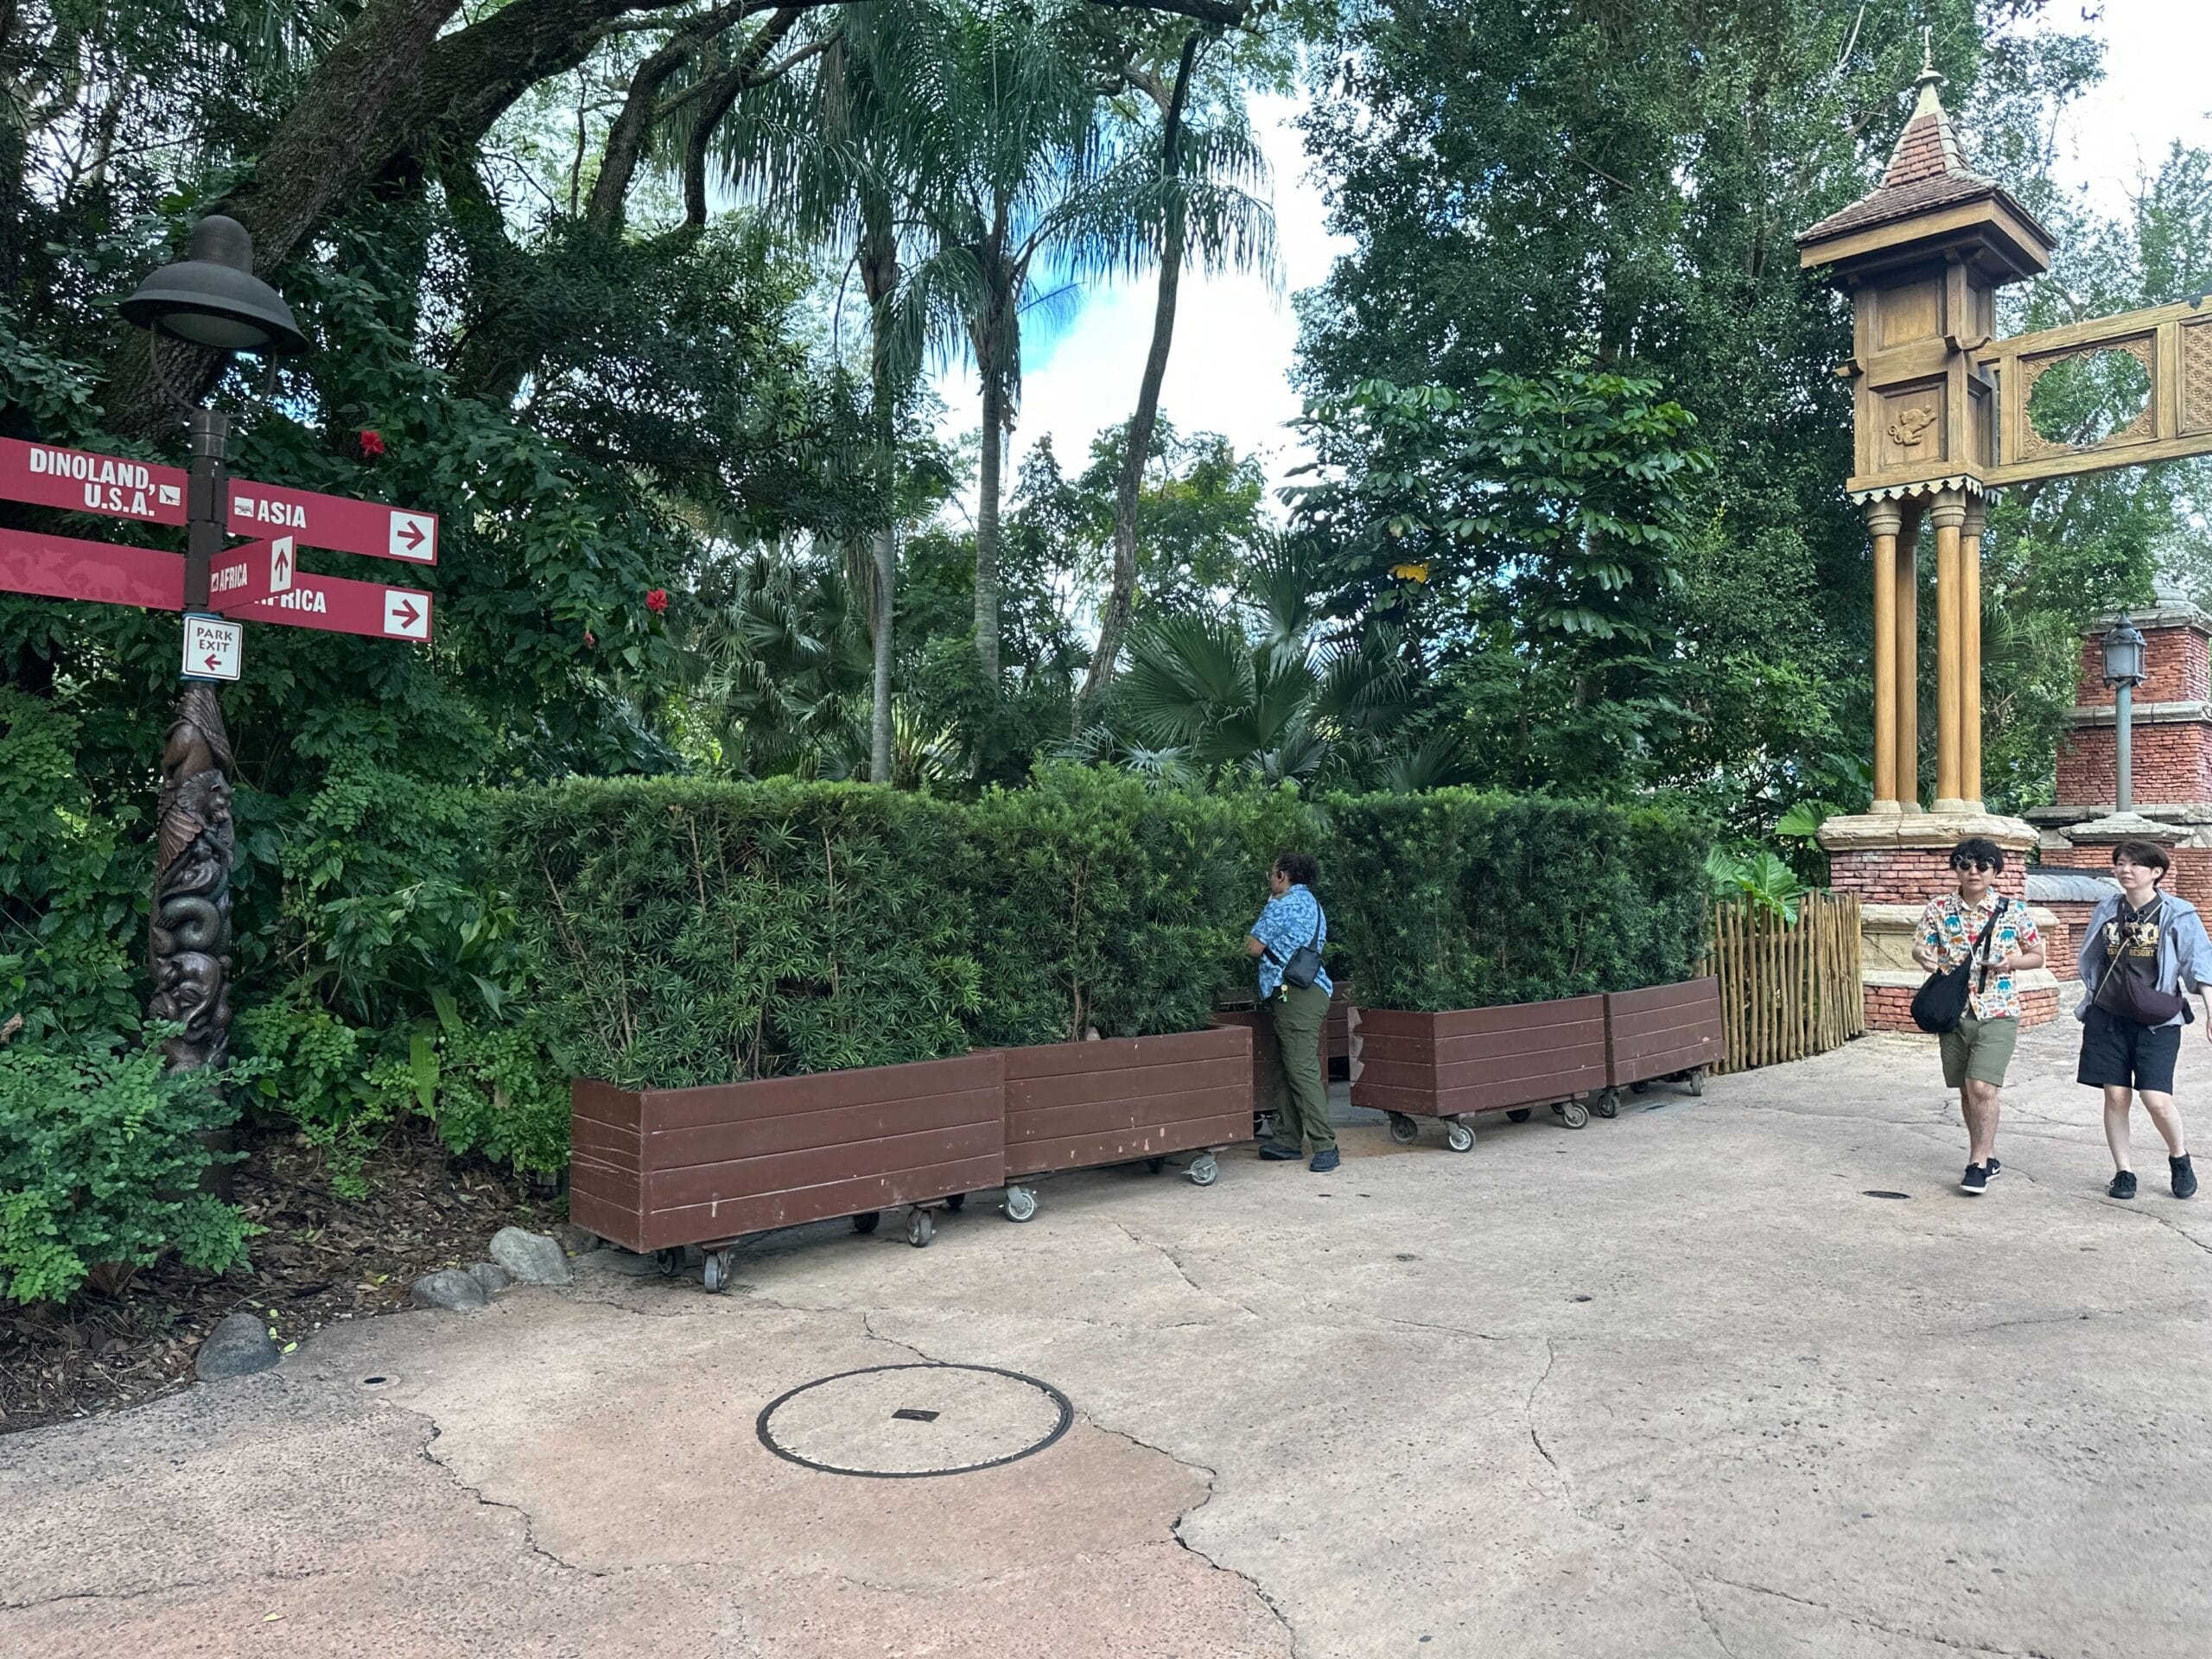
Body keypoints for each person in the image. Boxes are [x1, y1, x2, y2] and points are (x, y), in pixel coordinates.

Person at [1910, 837, 2044, 1196]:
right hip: (1953, 1009)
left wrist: (2010, 962)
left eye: (1982, 865)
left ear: (1994, 871)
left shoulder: (2011, 910)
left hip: (1998, 1008)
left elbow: (2037, 954)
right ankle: (1986, 1153)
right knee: (1966, 1089)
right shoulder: (1939, 908)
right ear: (1956, 867)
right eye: (1965, 864)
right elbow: (1920, 945)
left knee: (1982, 1086)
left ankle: (1978, 1163)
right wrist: (1923, 955)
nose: (1973, 871)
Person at [2075, 839, 2207, 1201]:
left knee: (2156, 1098)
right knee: (2116, 1095)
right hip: (2109, 1016)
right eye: (2120, 863)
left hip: (2158, 1018)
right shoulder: (2107, 908)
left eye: (2134, 864)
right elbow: (2092, 958)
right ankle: (2124, 1171)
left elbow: (2198, 963)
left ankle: (2179, 1158)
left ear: (2156, 872)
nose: (2124, 869)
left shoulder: (2177, 912)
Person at [1246, 850, 1338, 1173]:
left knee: (1301, 1069)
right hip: (1310, 990)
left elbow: (1254, 946)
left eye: (1272, 874)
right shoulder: (1311, 903)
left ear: (1283, 875)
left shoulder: (1282, 904)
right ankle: (1286, 1140)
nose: (1270, 880)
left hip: (1294, 996)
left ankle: (1325, 1145)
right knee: (1289, 1067)